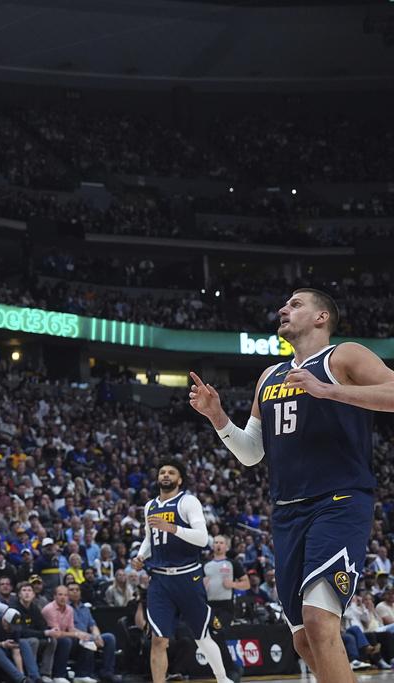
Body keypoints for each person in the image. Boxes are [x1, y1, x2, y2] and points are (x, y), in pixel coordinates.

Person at [190, 288, 394, 683]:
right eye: (285, 303)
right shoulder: (269, 376)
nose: (283, 308)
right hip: (287, 512)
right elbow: (252, 453)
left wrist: (329, 390)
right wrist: (217, 418)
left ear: (321, 317)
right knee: (303, 640)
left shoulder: (343, 356)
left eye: (296, 304)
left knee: (319, 621)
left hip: (338, 500)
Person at [131, 461, 234, 683]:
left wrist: (172, 528)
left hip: (188, 576)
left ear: (179, 479)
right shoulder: (150, 506)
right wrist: (140, 556)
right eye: (162, 472)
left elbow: (202, 538)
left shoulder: (188, 502)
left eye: (171, 472)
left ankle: (222, 678)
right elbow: (149, 539)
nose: (165, 475)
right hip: (160, 580)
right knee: (158, 639)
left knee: (201, 636)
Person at [66, 582, 122, 683]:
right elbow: (69, 628)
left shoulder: (84, 608)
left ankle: (107, 672)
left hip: (88, 636)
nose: (75, 592)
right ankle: (87, 673)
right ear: (67, 593)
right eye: (71, 590)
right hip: (74, 638)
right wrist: (91, 637)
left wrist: (97, 636)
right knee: (89, 641)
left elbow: (92, 625)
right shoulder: (66, 608)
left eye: (77, 590)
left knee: (109, 637)